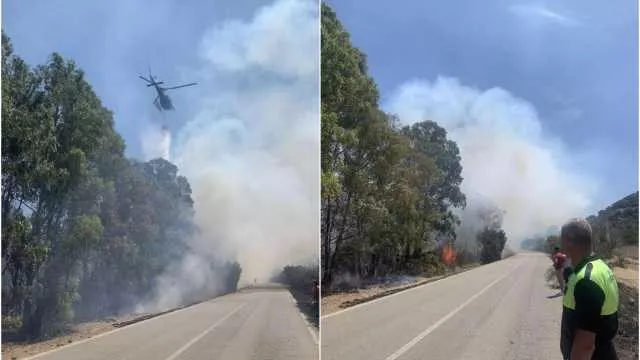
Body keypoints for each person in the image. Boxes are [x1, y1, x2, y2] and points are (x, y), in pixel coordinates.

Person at [560, 218, 619, 360]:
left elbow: (586, 346)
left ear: (568, 241)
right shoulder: (598, 267)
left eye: (561, 239)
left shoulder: (586, 281)